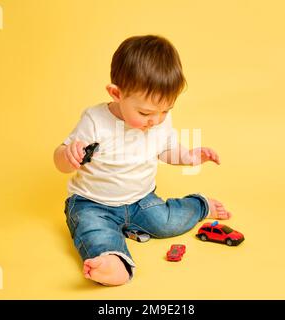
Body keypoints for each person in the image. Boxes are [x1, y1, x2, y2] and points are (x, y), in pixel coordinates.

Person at [53, 35, 232, 286]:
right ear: (117, 93)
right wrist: (67, 155)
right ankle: (111, 260)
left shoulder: (159, 121)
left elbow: (165, 149)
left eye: (166, 111)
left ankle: (200, 206)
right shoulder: (95, 121)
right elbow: (59, 160)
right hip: (92, 203)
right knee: (93, 230)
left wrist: (188, 157)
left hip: (141, 200)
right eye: (145, 113)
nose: (156, 120)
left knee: (167, 223)